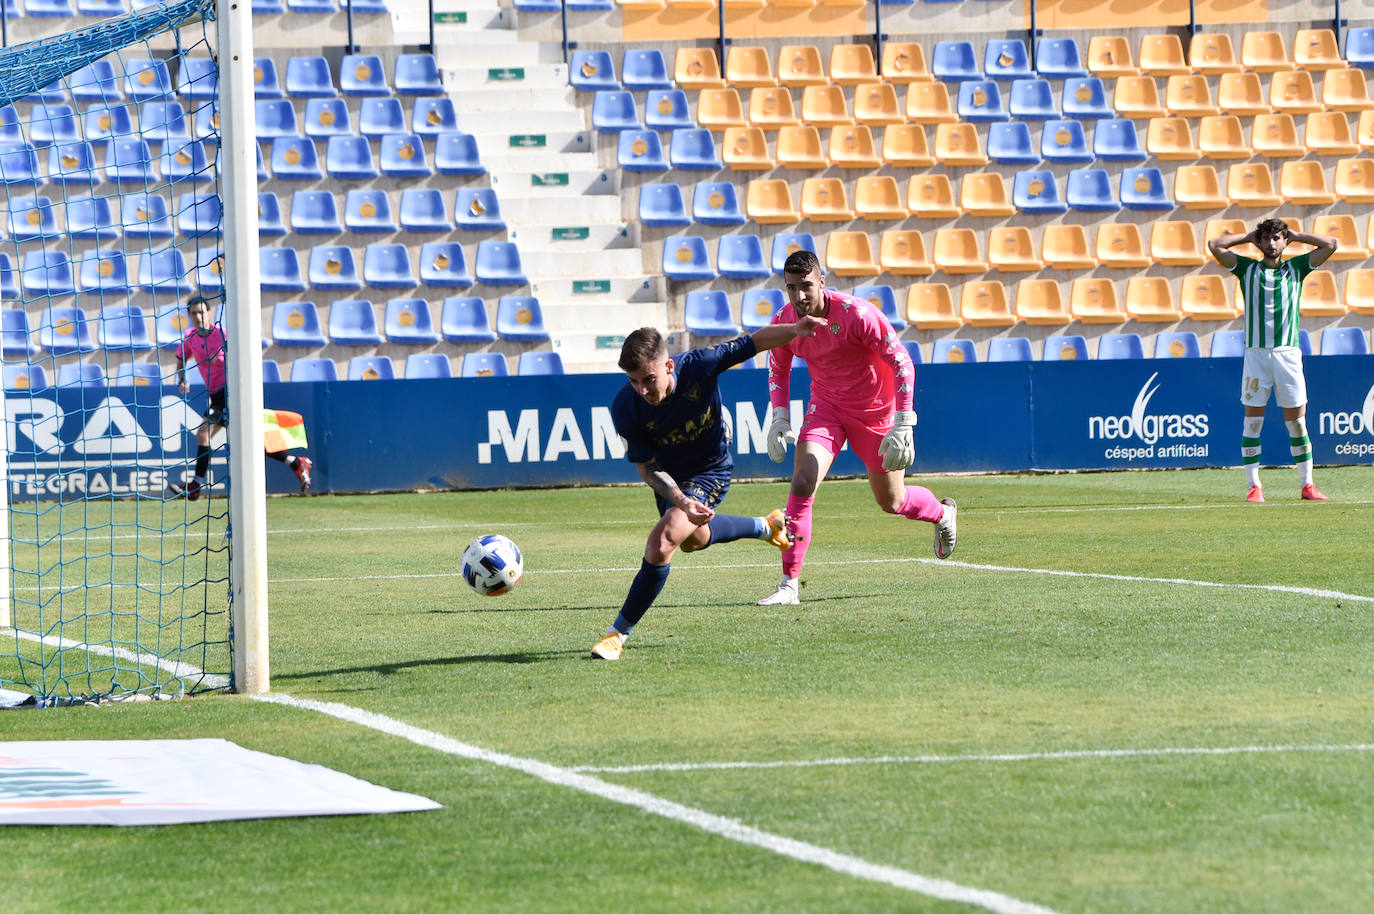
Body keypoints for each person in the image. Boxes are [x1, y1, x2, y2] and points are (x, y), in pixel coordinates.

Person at [590, 316, 827, 661]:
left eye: (648, 379)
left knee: (663, 541)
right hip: (671, 478)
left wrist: (794, 330)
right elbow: (647, 468)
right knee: (693, 540)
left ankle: (616, 635)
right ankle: (767, 526)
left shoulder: (700, 365)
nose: (642, 390)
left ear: (669, 366)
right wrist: (681, 500)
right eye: (633, 381)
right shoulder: (625, 406)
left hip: (710, 469)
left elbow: (755, 342)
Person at [757, 250, 957, 607]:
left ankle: (943, 514)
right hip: (826, 411)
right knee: (802, 481)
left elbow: (902, 363)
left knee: (892, 501)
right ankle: (789, 585)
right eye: (791, 288)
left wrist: (904, 422)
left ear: (822, 282)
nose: (799, 296)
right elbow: (778, 367)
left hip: (875, 414)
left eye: (806, 286)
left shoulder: (858, 315)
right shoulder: (785, 321)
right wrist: (780, 418)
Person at [1207, 218, 1337, 503]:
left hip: (1288, 355)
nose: (1271, 243)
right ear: (1260, 241)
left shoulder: (1297, 268)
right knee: (1252, 424)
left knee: (1297, 424)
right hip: (1257, 356)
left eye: (1277, 238)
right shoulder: (1246, 269)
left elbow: (1331, 244)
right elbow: (1214, 245)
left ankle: (1307, 485)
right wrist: (1247, 237)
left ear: (1284, 241)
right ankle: (1254, 486)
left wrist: (1298, 235)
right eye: (1266, 238)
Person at [168, 295, 312, 500]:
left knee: (204, 434)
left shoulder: (223, 334)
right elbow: (181, 358)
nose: (198, 317)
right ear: (189, 316)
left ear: (209, 313)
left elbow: (244, 356)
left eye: (201, 312)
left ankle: (196, 485)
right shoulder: (190, 337)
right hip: (216, 396)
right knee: (248, 439)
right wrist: (182, 380)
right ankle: (296, 463)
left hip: (231, 393)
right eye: (194, 313)